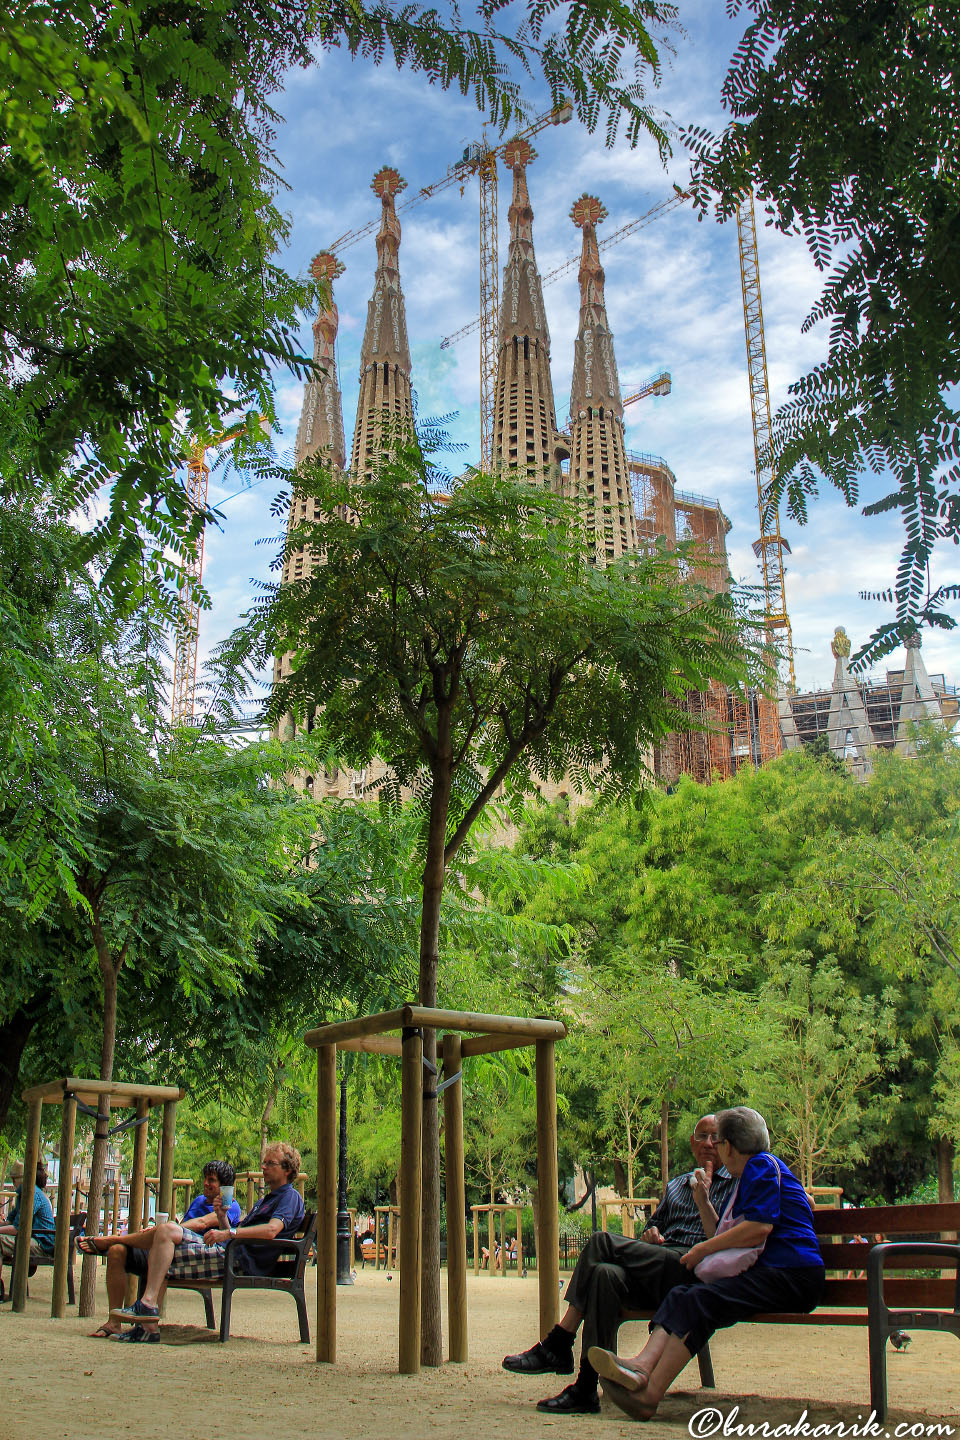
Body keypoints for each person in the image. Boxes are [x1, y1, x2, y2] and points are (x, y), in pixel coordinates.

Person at [589, 1106, 825, 1422]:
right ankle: (642, 1366)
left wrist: (702, 1249)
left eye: (719, 1141)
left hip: (793, 1276)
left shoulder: (760, 1167)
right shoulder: (752, 1174)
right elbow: (729, 1232)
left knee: (701, 1301)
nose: (713, 1147)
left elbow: (758, 1228)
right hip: (775, 1275)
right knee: (686, 1294)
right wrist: (703, 1201)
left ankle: (648, 1396)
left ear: (729, 1146)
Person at [502, 1114, 735, 1415]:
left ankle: (560, 1342)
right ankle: (586, 1388)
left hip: (693, 1268)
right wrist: (650, 1235)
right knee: (604, 1274)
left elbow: (726, 1238)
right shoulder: (677, 1185)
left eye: (715, 1138)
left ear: (726, 1144)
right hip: (659, 1262)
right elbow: (653, 1227)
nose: (708, 1143)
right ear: (692, 1143)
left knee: (601, 1241)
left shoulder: (734, 1184)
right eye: (702, 1136)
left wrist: (705, 1198)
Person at [84, 1143, 305, 1342]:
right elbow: (235, 1232)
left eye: (270, 1163)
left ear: (287, 1169)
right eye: (264, 1163)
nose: (264, 1167)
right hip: (229, 1253)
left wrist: (228, 1234)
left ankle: (147, 1305)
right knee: (162, 1242)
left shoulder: (290, 1197)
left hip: (237, 1260)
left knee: (167, 1231)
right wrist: (221, 1219)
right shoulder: (266, 1199)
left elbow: (271, 1230)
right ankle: (147, 1326)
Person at [81, 1159, 242, 1338]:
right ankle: (114, 1323)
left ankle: (112, 1240)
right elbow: (181, 1228)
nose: (206, 1183)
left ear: (224, 1186)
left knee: (163, 1245)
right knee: (116, 1251)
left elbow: (200, 1223)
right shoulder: (198, 1201)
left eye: (211, 1180)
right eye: (205, 1178)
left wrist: (162, 1230)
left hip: (190, 1259)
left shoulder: (231, 1206)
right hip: (168, 1249)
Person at [0, 1160, 55, 1302]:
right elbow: (10, 1222)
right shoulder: (24, 1193)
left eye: (15, 1179)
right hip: (33, 1239)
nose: (13, 1183)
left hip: (42, 1244)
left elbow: (18, 1228)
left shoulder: (32, 1194)